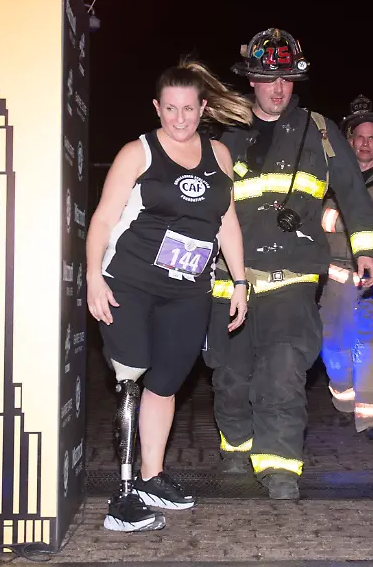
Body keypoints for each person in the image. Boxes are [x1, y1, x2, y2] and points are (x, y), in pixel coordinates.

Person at [203, 28, 373, 501]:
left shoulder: (319, 132)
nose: (278, 88)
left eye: (285, 78)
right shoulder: (225, 133)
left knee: (283, 371)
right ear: (251, 80)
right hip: (230, 278)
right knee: (231, 375)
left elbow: (353, 192)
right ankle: (237, 445)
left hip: (293, 275)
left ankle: (281, 467)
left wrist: (366, 249)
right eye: (268, 78)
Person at [86, 60, 252, 533]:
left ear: (203, 108)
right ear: (157, 108)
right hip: (131, 283)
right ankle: (122, 497)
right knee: (131, 376)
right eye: (171, 109)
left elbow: (227, 223)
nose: (180, 118)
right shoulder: (136, 153)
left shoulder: (219, 155)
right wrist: (93, 276)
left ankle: (151, 477)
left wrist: (240, 282)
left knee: (166, 382)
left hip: (189, 289)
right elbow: (103, 218)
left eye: (189, 109)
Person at [318, 95, 373, 441]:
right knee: (334, 349)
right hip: (334, 282)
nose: (365, 144)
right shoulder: (327, 179)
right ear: (348, 141)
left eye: (372, 138)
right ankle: (344, 402)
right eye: (359, 138)